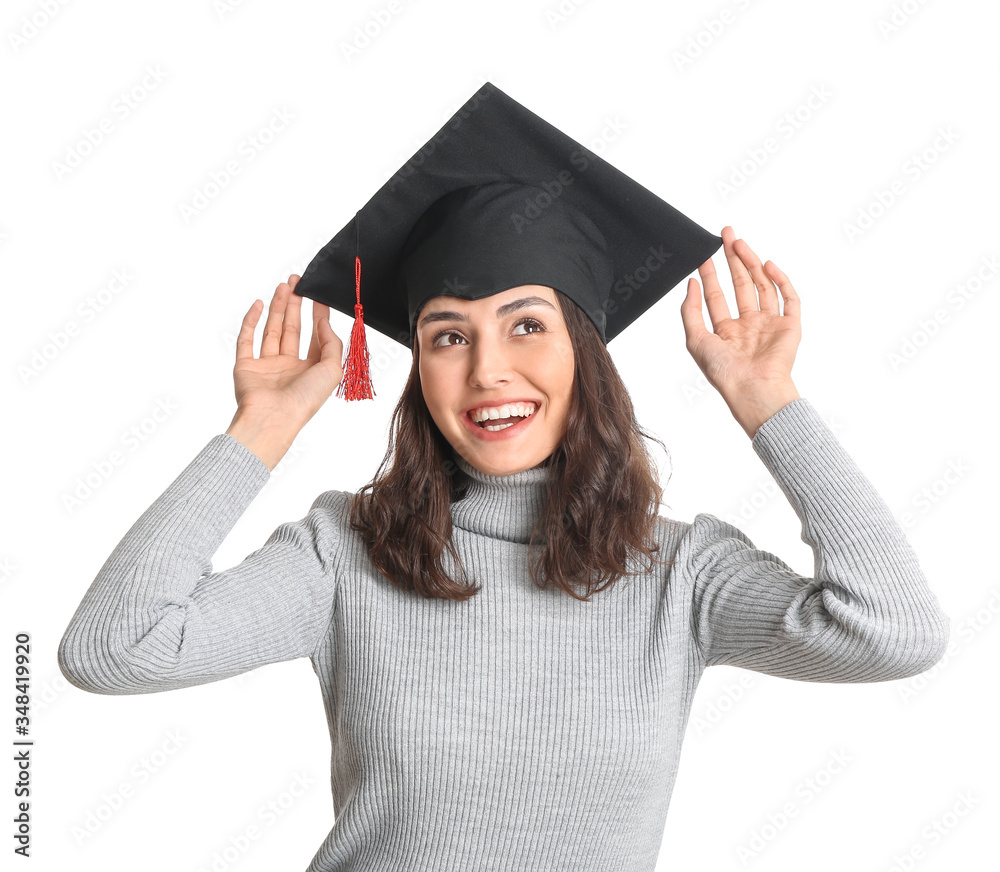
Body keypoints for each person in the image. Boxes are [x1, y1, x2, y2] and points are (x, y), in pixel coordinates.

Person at [58, 83, 950, 872]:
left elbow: (894, 631)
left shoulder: (682, 576)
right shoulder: (345, 556)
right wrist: (263, 428)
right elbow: (113, 650)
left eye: (527, 325)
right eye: (448, 334)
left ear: (585, 355)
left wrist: (768, 401)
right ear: (421, 369)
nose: (487, 370)